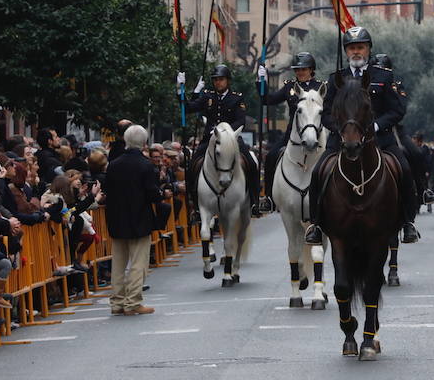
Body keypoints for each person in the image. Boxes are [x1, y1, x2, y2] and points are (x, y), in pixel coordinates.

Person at [304, 26, 419, 245]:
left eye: (360, 47)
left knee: (404, 169)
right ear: (346, 52)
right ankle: (316, 224)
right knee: (318, 172)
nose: (356, 52)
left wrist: (376, 126)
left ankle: (407, 222)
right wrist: (340, 130)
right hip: (343, 140)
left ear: (368, 49)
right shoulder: (336, 78)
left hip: (380, 139)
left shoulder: (384, 76)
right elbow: (326, 112)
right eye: (351, 48)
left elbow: (396, 110)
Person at [181, 64, 259, 217]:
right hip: (210, 139)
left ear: (227, 81)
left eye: (221, 79)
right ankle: (196, 205)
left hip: (232, 138)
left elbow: (240, 121)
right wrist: (184, 90)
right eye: (215, 80)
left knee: (251, 163)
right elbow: (188, 108)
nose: (218, 82)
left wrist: (225, 132)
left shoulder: (236, 97)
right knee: (193, 166)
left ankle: (255, 202)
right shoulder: (207, 96)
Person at [101, 124, 162, 316]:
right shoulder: (146, 165)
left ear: (126, 141)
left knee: (118, 262)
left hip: (117, 218)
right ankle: (133, 302)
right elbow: (152, 194)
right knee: (138, 263)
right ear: (144, 143)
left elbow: (108, 191)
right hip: (139, 218)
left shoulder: (113, 164)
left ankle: (117, 302)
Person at [258, 52, 325, 213]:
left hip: (318, 133)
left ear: (311, 70)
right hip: (293, 134)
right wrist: (261, 81)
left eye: (304, 69)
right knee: (272, 156)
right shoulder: (290, 87)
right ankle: (269, 198)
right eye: (297, 69)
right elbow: (268, 100)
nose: (300, 72)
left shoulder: (321, 87)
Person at [371, 53, 434, 208]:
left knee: (416, 154)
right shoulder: (368, 83)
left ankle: (422, 189)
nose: (381, 71)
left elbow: (401, 107)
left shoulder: (396, 85)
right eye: (378, 68)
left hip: (393, 129)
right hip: (368, 128)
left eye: (384, 68)